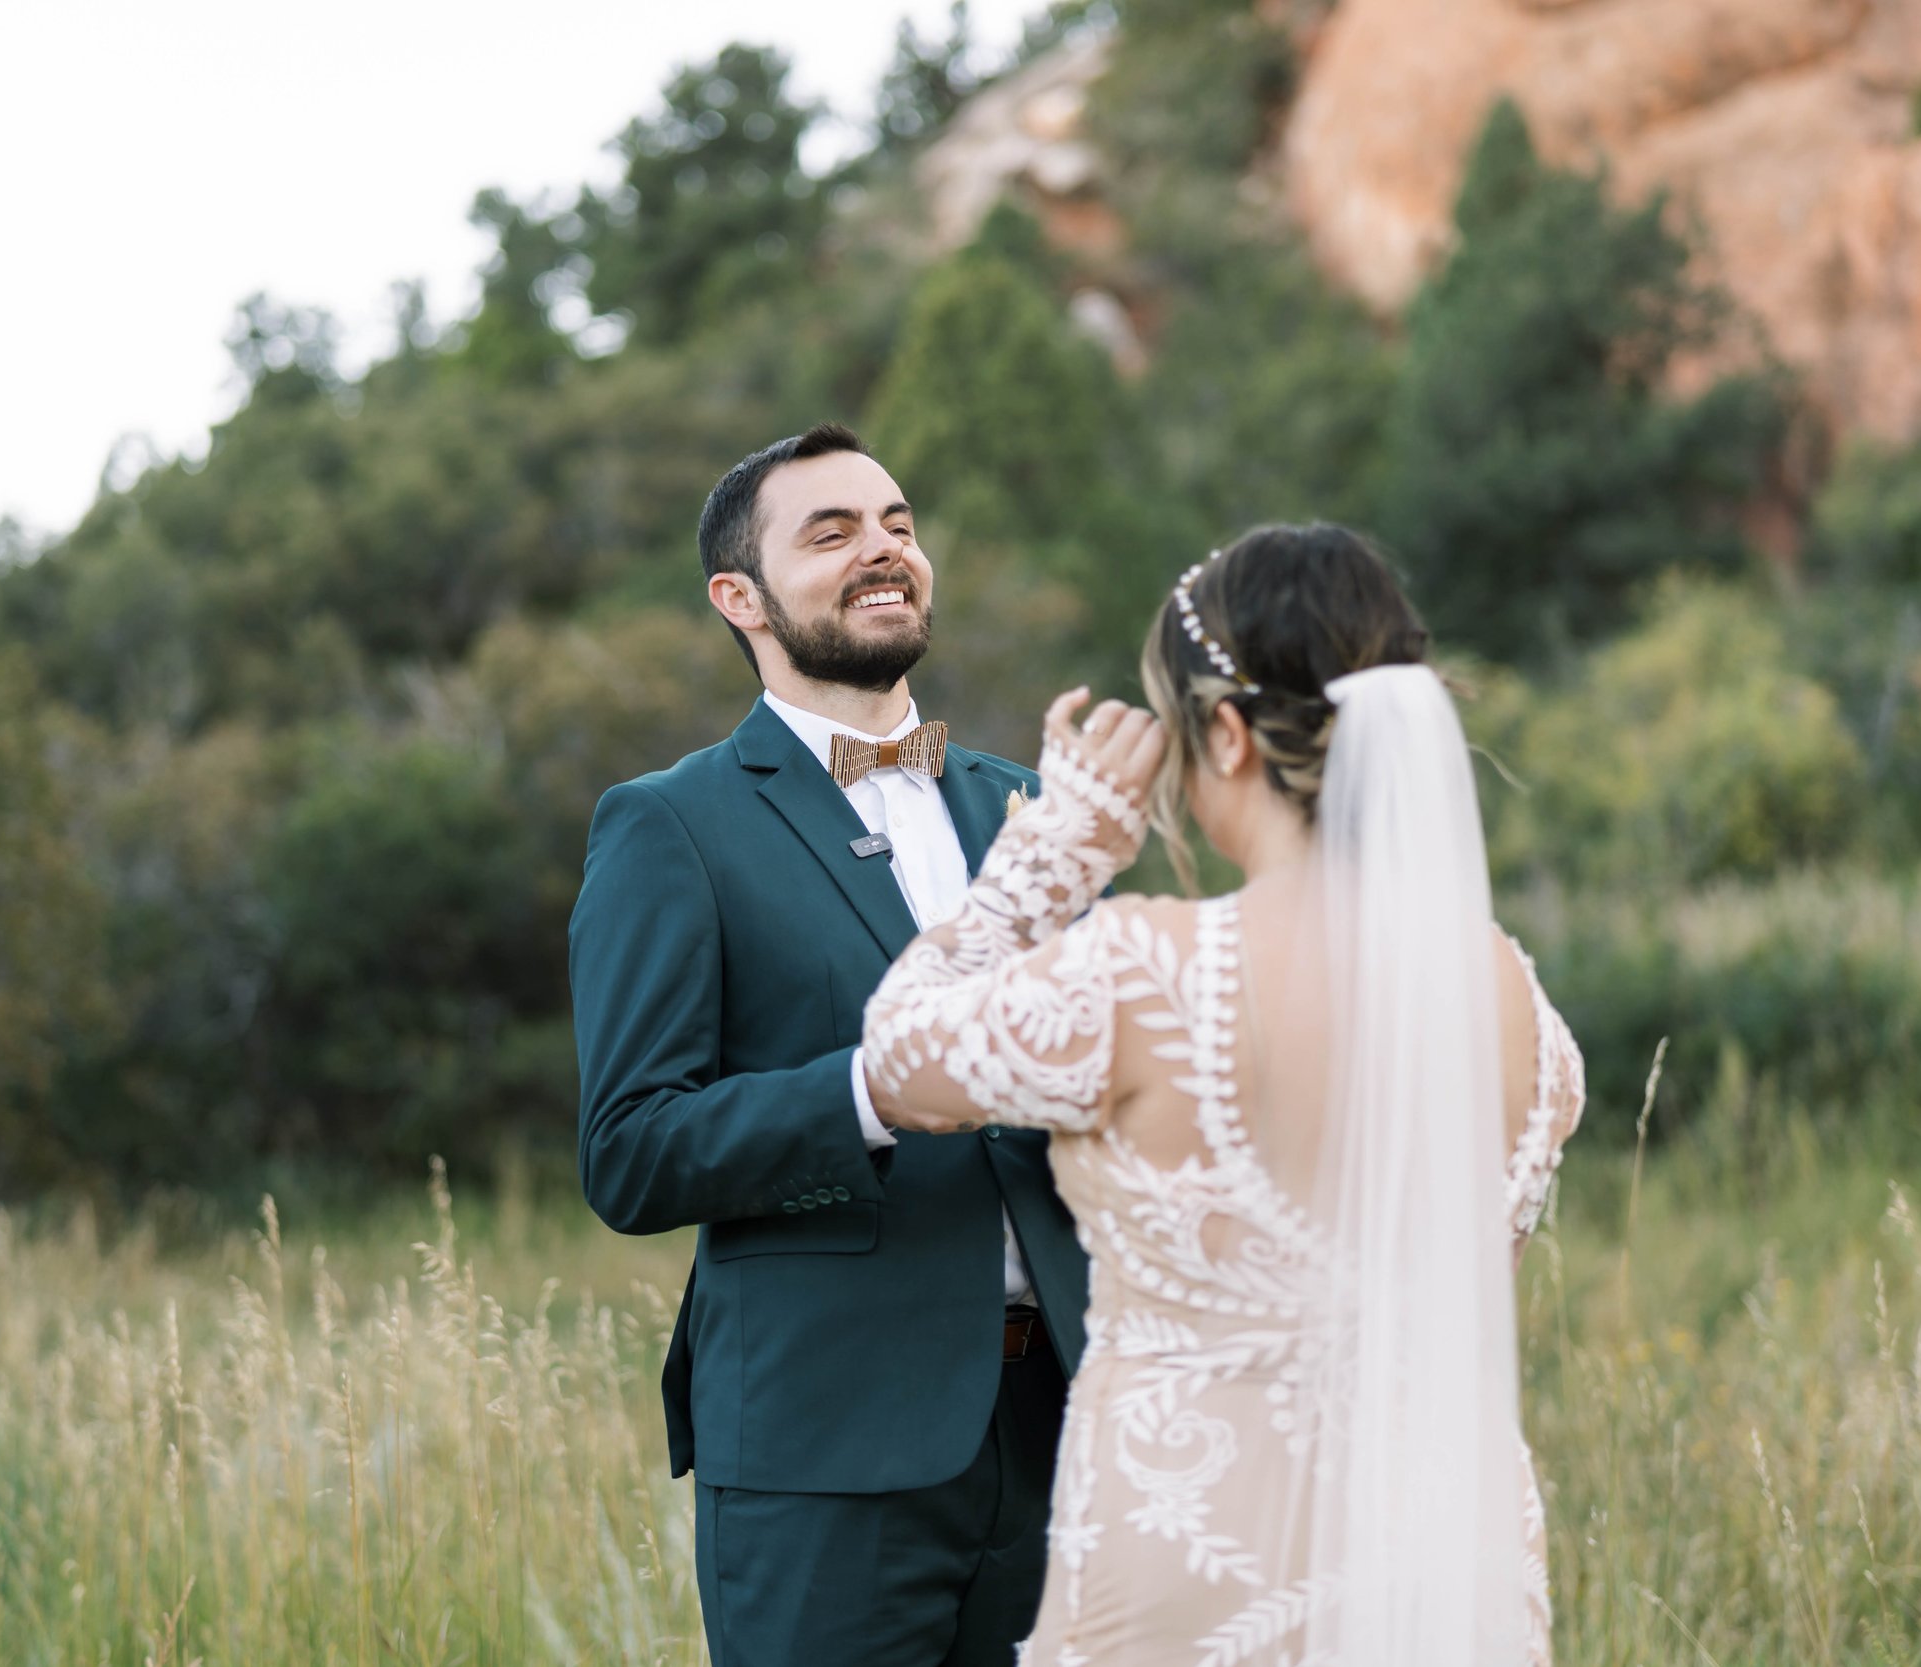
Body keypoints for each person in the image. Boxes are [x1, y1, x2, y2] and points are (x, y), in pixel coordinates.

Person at [861, 523, 1588, 1665]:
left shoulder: (1144, 974)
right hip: (1445, 1558)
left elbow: (897, 1052)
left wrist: (1057, 845)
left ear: (1231, 736)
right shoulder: (1520, 1007)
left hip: (1194, 1557)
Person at [568, 425, 1089, 1667]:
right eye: (833, 530)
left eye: (899, 523)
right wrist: (869, 1094)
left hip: (1078, 1422)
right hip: (826, 1448)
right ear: (737, 597)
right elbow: (633, 1152)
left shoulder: (1039, 811)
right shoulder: (670, 826)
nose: (883, 550)